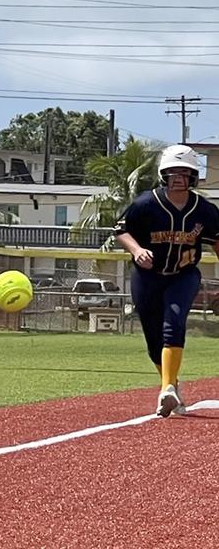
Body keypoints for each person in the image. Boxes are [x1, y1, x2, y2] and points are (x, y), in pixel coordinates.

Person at [114, 144, 219, 417]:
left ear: (194, 176)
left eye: (185, 172)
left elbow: (217, 241)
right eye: (173, 172)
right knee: (153, 341)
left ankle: (167, 390)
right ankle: (170, 385)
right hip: (147, 277)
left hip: (183, 276)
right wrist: (137, 250)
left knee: (173, 321)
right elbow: (120, 231)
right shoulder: (146, 204)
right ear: (163, 175)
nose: (179, 178)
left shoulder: (204, 210)